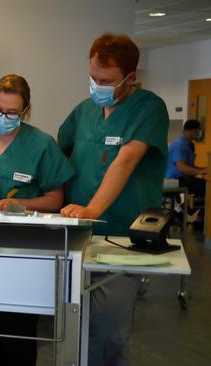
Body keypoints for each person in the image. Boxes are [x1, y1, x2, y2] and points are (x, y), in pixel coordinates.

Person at [58, 33, 169, 365]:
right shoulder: (83, 112)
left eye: (105, 81)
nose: (97, 86)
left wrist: (92, 209)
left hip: (121, 236)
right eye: (93, 77)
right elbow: (57, 158)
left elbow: (126, 160)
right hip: (76, 235)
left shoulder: (149, 109)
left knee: (107, 331)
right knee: (72, 326)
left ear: (130, 78)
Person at [0, 74, 73, 366]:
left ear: (25, 112)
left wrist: (20, 203)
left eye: (12, 113)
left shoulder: (41, 145)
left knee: (15, 331)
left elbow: (55, 199)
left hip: (23, 249)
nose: (3, 117)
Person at [166, 119, 206, 225]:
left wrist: (203, 169)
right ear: (192, 131)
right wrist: (200, 171)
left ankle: (181, 211)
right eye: (199, 131)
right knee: (206, 189)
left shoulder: (188, 144)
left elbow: (189, 166)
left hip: (183, 177)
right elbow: (182, 167)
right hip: (174, 179)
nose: (200, 133)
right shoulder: (180, 144)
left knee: (204, 187)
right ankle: (180, 212)